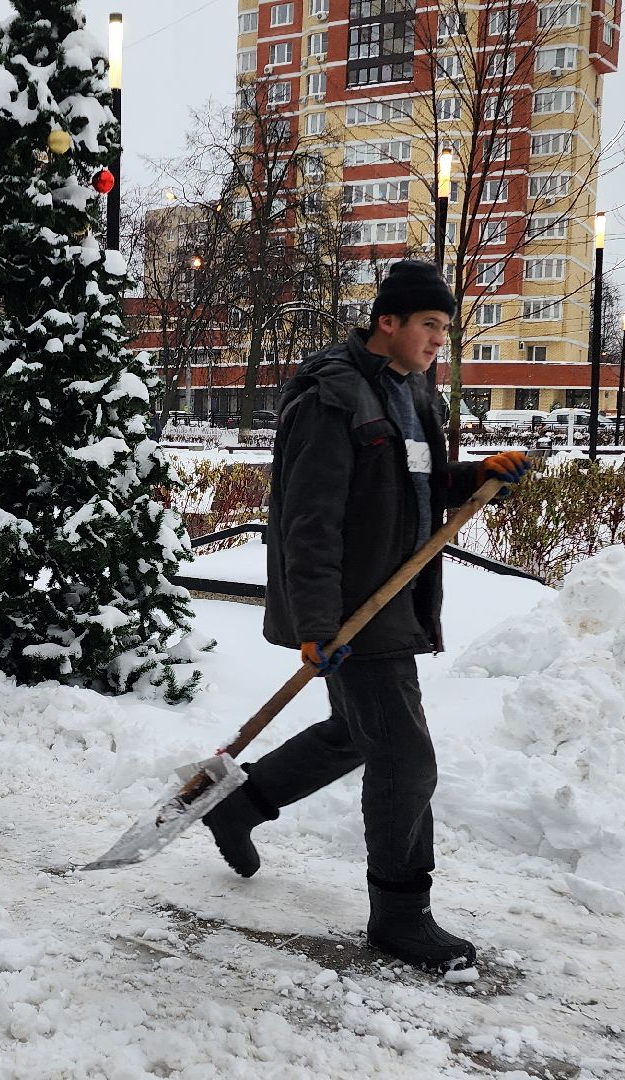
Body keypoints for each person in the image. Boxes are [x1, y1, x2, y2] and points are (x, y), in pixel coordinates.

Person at [204, 261, 530, 974]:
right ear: (389, 321)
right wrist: (318, 624)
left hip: (393, 597)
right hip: (354, 607)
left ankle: (239, 805)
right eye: (430, 325)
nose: (439, 340)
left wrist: (477, 476)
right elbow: (309, 520)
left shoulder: (413, 393)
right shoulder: (334, 397)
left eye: (445, 329)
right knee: (406, 759)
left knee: (359, 732)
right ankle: (400, 916)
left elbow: (416, 487)